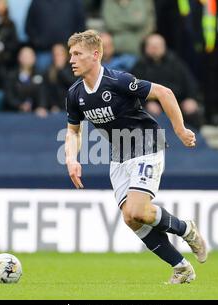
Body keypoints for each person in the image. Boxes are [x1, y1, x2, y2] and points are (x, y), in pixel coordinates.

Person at [64, 30, 207, 284]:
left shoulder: (118, 81)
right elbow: (73, 131)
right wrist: (72, 159)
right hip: (118, 155)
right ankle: (181, 267)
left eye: (77, 54)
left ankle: (186, 229)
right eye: (70, 54)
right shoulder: (75, 93)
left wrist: (180, 129)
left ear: (95, 55)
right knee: (131, 218)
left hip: (146, 144)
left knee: (137, 209)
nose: (71, 59)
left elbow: (165, 93)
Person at [132, 33, 203, 129]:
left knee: (192, 111)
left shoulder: (176, 63)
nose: (155, 49)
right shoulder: (139, 67)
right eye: (152, 46)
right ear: (146, 48)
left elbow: (190, 84)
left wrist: (191, 98)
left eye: (158, 46)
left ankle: (193, 142)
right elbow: (132, 92)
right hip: (153, 103)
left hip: (177, 102)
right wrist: (146, 104)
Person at [3, 46, 47, 116]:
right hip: (14, 114)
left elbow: (42, 93)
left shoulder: (39, 75)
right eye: (24, 56)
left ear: (34, 58)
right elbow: (9, 97)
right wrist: (20, 105)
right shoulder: (11, 76)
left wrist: (41, 107)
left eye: (30, 56)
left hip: (34, 114)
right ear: (19, 58)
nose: (27, 58)